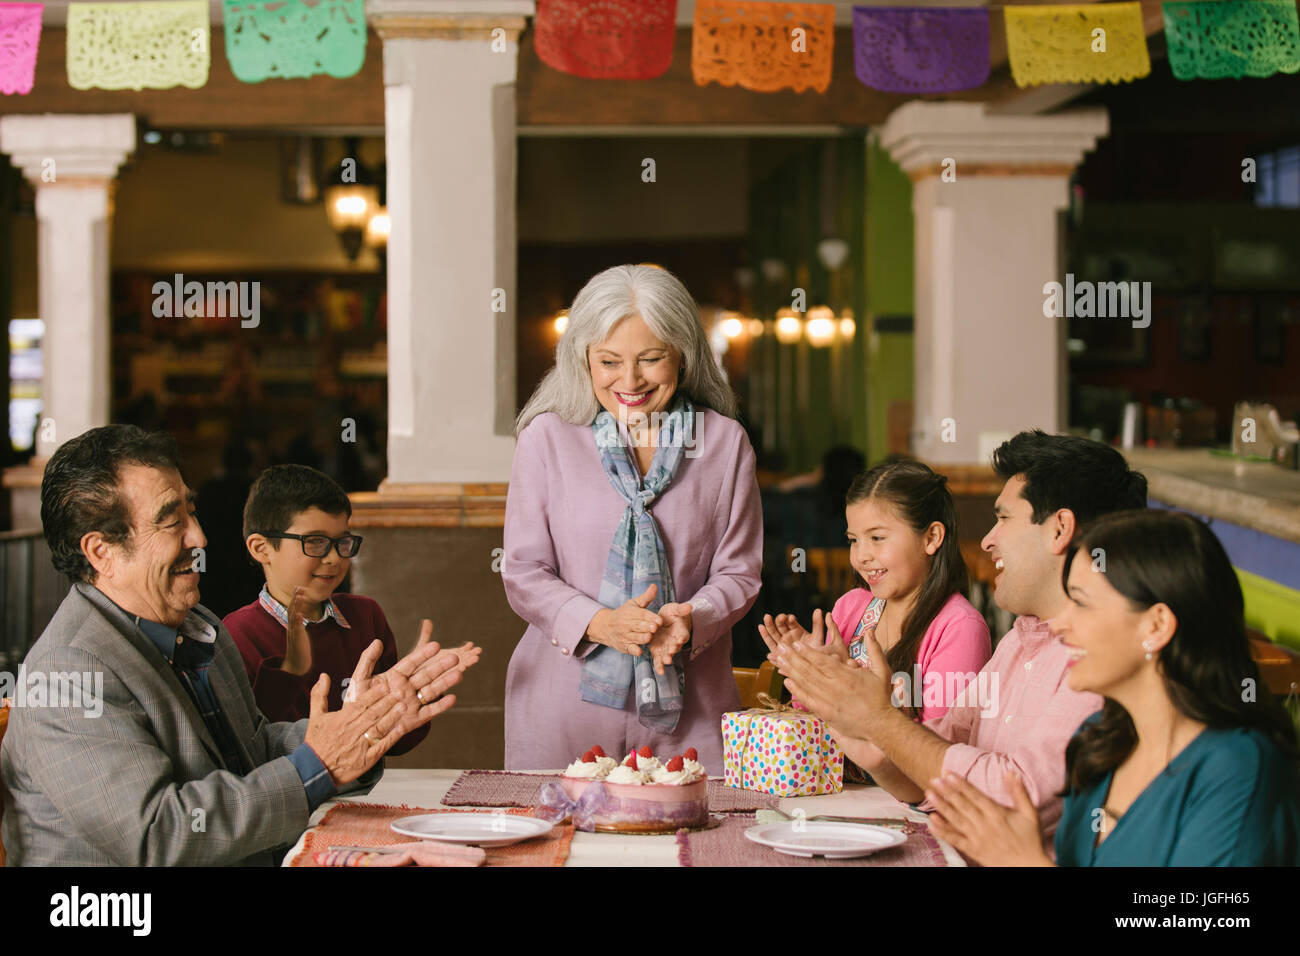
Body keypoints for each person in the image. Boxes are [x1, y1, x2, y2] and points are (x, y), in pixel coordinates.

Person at [0, 425, 476, 866]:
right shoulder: (67, 674)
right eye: (171, 521)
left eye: (192, 510)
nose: (200, 537)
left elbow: (252, 749)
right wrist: (319, 765)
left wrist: (359, 726)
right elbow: (159, 835)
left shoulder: (198, 625)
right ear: (101, 552)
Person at [768, 430, 1146, 846]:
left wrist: (878, 719)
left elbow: (1016, 796)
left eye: (1002, 518)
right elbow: (929, 760)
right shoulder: (1019, 642)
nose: (986, 539)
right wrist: (845, 709)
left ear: (1059, 529)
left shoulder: (1101, 659)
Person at [926, 510, 1300, 866]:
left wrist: (1023, 862)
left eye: (1082, 604)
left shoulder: (1238, 769)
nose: (1058, 625)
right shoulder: (1099, 741)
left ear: (1155, 627)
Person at [502, 264, 762, 773]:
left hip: (693, 705)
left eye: (650, 359)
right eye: (609, 361)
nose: (630, 381)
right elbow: (523, 571)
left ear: (683, 356)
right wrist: (601, 624)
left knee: (695, 845)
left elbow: (741, 573)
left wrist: (693, 618)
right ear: (583, 360)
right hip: (561, 702)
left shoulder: (725, 444)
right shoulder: (546, 439)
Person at [224, 464, 464, 756]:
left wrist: (413, 696)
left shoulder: (365, 617)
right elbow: (248, 752)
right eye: (315, 542)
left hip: (360, 795)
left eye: (343, 543)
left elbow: (395, 742)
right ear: (261, 548)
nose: (334, 558)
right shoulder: (237, 638)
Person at [760, 458, 990, 724]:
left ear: (931, 537)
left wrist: (845, 678)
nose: (861, 556)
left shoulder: (960, 628)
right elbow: (814, 732)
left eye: (877, 538)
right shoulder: (851, 606)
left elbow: (938, 754)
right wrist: (810, 669)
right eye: (854, 541)